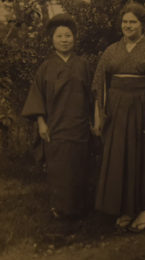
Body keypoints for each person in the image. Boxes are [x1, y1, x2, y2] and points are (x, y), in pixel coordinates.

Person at [92, 2, 145, 232]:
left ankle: (142, 210)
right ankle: (124, 210)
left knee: (142, 159)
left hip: (143, 112)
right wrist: (99, 118)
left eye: (133, 22)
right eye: (124, 22)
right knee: (119, 158)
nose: (127, 26)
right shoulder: (111, 51)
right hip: (116, 112)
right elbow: (99, 87)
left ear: (143, 25)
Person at [22, 13, 90, 232]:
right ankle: (59, 211)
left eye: (68, 36)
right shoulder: (45, 68)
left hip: (79, 126)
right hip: (55, 127)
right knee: (59, 169)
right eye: (60, 36)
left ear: (74, 38)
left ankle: (78, 211)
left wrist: (94, 119)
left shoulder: (83, 65)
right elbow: (37, 97)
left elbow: (94, 96)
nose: (64, 40)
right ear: (52, 39)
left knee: (79, 168)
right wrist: (41, 123)